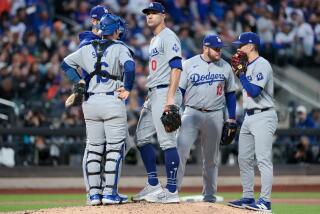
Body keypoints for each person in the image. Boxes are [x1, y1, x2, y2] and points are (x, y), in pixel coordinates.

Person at [61, 13, 135, 205]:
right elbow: (130, 67)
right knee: (114, 149)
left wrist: (78, 81)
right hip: (112, 101)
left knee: (94, 149)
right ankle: (110, 193)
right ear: (116, 30)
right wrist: (127, 88)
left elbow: (65, 63)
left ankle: (94, 195)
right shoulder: (120, 47)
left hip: (90, 102)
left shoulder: (87, 47)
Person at [132, 2, 183, 203]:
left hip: (165, 92)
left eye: (154, 13)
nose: (150, 16)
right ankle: (153, 184)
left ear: (163, 15)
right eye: (147, 13)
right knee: (141, 137)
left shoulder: (169, 36)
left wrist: (170, 98)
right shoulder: (154, 39)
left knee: (167, 142)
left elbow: (177, 67)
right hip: (154, 93)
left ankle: (171, 191)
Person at [176, 34, 237, 202]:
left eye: (220, 49)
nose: (219, 51)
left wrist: (231, 118)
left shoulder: (225, 66)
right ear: (205, 48)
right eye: (216, 49)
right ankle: (173, 191)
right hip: (191, 111)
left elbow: (230, 94)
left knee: (211, 158)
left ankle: (209, 194)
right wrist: (174, 108)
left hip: (215, 114)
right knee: (180, 151)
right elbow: (180, 91)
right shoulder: (188, 64)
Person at [227, 32, 278, 213]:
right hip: (249, 117)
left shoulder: (262, 64)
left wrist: (241, 74)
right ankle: (248, 196)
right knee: (244, 159)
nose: (238, 48)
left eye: (241, 45)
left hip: (264, 115)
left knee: (263, 160)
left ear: (250, 46)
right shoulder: (248, 65)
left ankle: (265, 201)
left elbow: (254, 91)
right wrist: (241, 71)